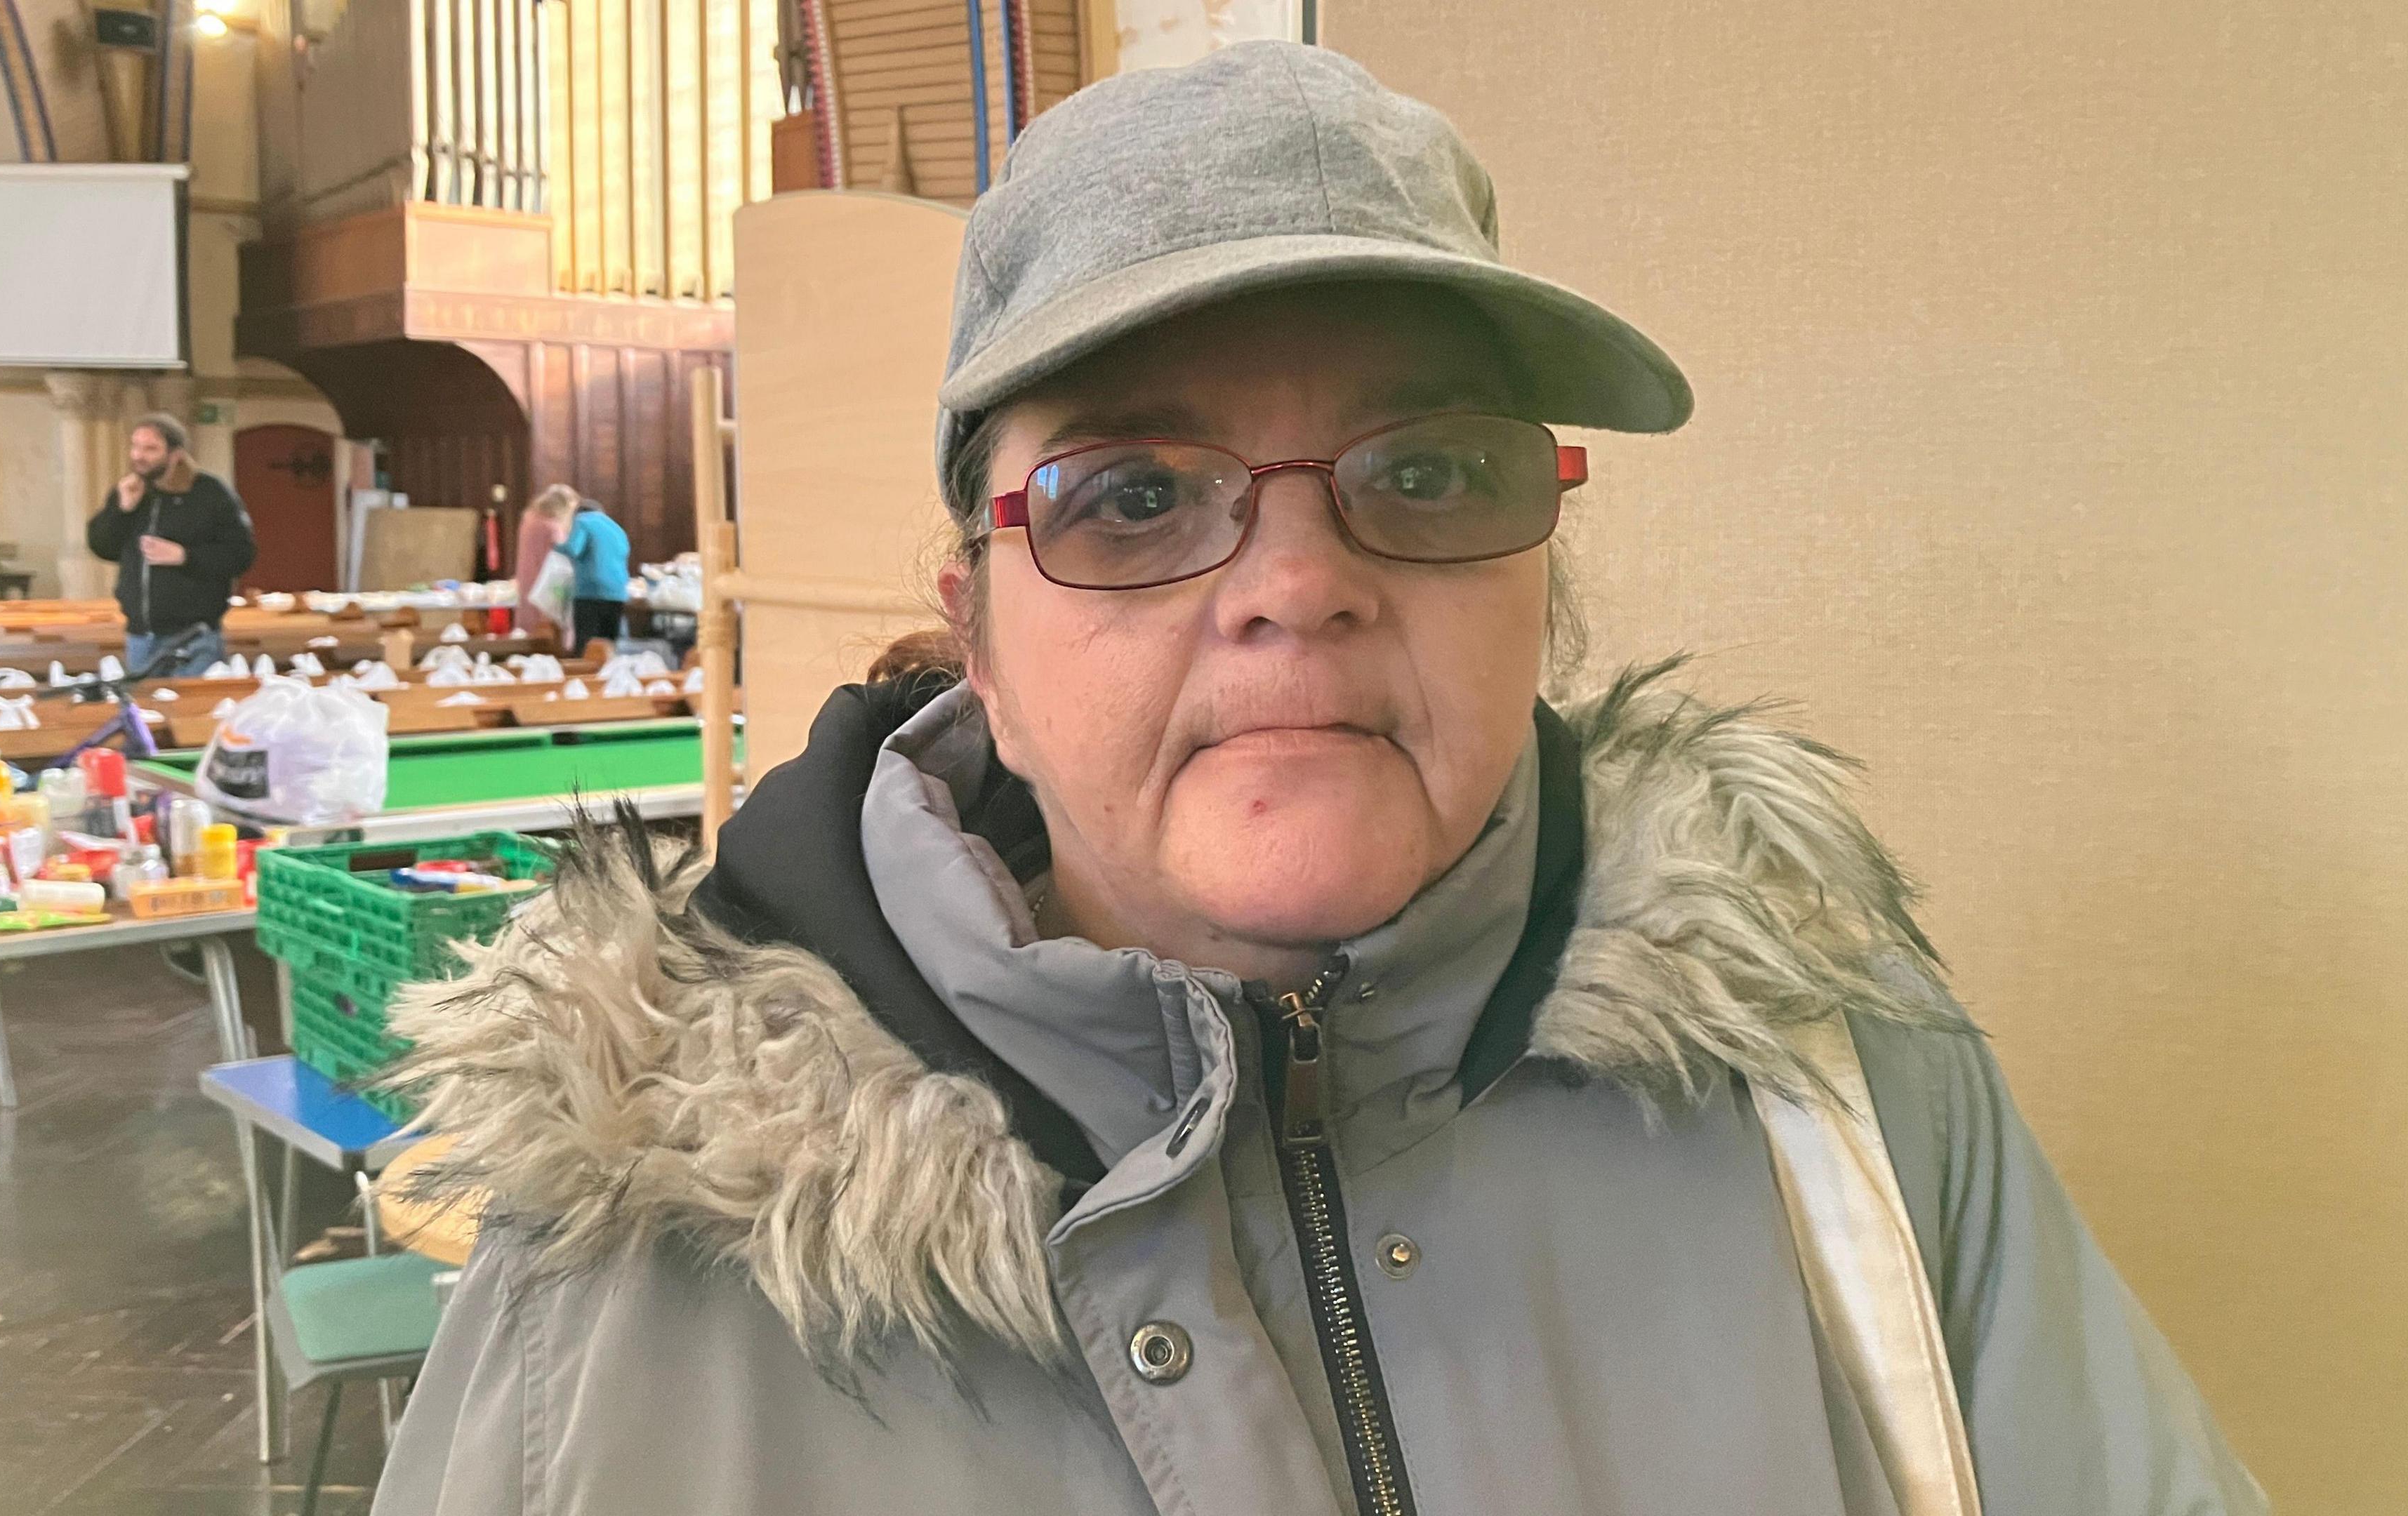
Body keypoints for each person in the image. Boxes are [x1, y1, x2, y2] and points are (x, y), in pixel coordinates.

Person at [373, 44, 2264, 1516]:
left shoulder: (1847, 1085)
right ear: (983, 646)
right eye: (1130, 498)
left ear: (1543, 577)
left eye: (1425, 473)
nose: (1295, 587)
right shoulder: (618, 1295)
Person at [85, 413, 255, 674]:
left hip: (194, 636)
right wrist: (122, 510)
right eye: (136, 446)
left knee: (192, 712)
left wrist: (185, 556)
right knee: (145, 713)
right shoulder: (130, 491)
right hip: (140, 636)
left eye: (151, 449)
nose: (139, 456)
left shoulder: (209, 493)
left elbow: (241, 554)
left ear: (175, 454)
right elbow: (102, 547)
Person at [524, 488, 632, 652]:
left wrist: (559, 548)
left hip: (591, 592)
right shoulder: (617, 529)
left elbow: (575, 549)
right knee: (608, 648)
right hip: (617, 594)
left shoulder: (582, 521)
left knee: (585, 645)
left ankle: (585, 675)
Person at [511, 485, 575, 639]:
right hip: (548, 587)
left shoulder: (529, 519)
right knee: (550, 635)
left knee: (529, 631)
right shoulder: (553, 527)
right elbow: (564, 558)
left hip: (527, 582)